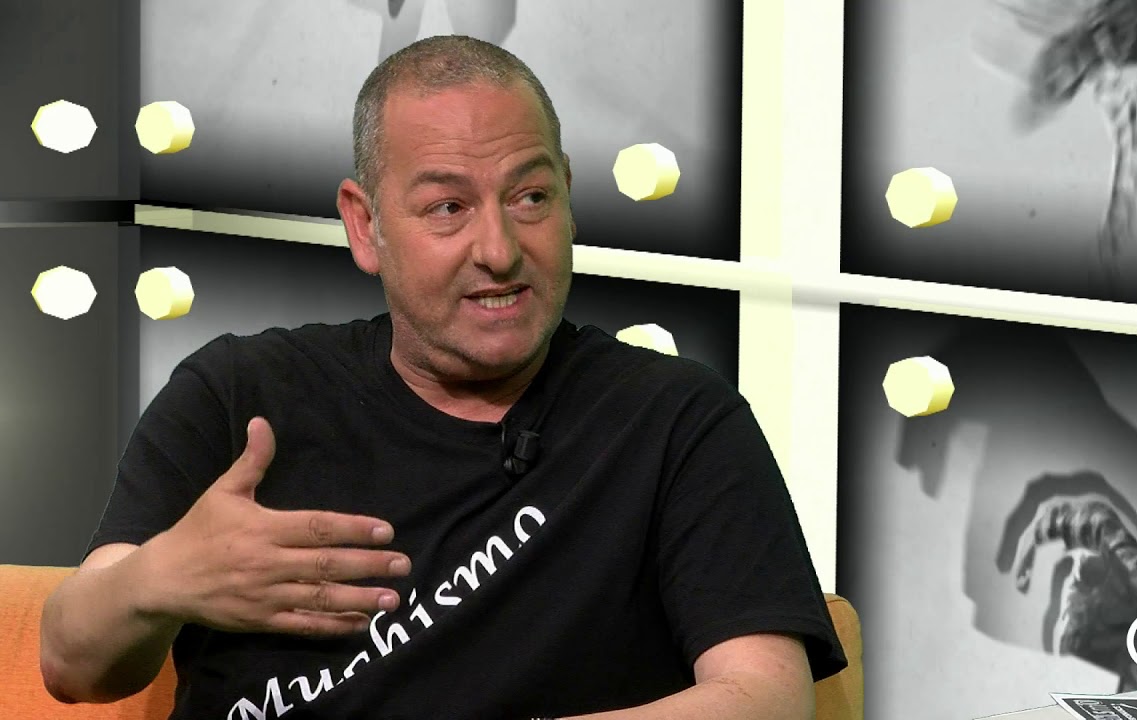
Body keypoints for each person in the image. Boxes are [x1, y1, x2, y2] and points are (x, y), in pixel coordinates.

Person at [38, 35, 846, 719]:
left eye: (531, 197)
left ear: (569, 198)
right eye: (448, 208)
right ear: (365, 225)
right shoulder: (238, 393)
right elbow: (72, 665)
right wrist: (163, 579)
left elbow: (764, 697)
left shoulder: (675, 419)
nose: (499, 250)